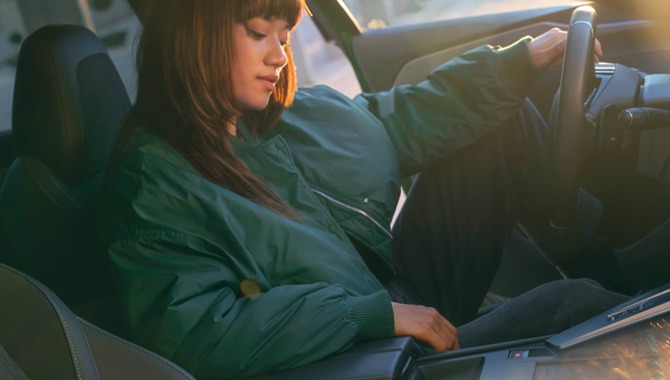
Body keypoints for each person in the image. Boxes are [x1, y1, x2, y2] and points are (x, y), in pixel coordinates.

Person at [95, 0, 629, 378]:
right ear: (195, 33)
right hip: (367, 355)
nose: (280, 56)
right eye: (260, 33)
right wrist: (372, 317)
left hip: (390, 298)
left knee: (499, 123)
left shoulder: (272, 118)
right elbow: (203, 334)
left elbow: (398, 120)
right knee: (569, 306)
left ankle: (612, 269)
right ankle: (622, 301)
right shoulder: (152, 185)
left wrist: (520, 62)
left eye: (283, 37)